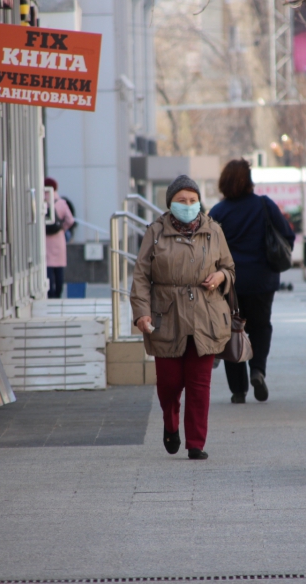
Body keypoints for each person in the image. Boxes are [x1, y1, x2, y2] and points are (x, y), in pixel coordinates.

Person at [131, 176, 236, 460]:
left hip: (206, 317)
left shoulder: (214, 230)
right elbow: (141, 276)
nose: (188, 205)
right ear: (170, 203)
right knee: (169, 383)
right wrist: (141, 312)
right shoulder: (155, 232)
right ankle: (170, 422)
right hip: (167, 317)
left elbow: (229, 268)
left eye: (192, 200)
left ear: (199, 202)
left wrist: (221, 277)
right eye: (181, 200)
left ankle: (196, 443)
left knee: (200, 384)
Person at [208, 158, 296, 403]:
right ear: (249, 181)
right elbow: (287, 235)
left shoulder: (218, 212)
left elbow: (207, 251)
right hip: (261, 281)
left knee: (232, 331)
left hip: (229, 284)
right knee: (261, 326)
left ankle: (238, 391)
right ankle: (257, 370)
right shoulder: (264, 205)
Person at [45, 177, 75, 298]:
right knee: (59, 269)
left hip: (45, 241)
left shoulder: (41, 202)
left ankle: (50, 294)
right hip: (59, 240)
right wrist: (62, 228)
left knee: (48, 268)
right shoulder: (61, 203)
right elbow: (70, 220)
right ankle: (58, 294)